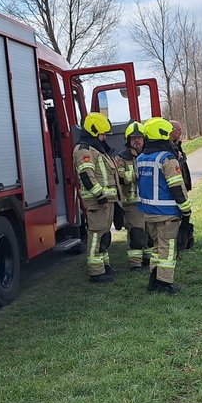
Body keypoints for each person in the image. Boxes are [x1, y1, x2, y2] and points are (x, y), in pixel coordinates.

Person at [137, 117, 192, 294]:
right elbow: (177, 187)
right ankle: (165, 283)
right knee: (168, 249)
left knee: (156, 247)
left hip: (149, 213)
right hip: (167, 213)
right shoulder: (167, 159)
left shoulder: (141, 158)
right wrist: (186, 209)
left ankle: (153, 279)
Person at [75, 112, 119, 283]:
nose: (104, 136)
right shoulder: (84, 150)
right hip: (97, 201)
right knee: (96, 235)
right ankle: (96, 272)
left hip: (106, 200)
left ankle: (104, 266)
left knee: (104, 234)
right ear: (94, 132)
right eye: (102, 133)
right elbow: (86, 175)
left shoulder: (96, 149)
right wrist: (100, 195)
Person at [114, 121, 151, 271]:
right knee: (136, 233)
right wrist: (138, 173)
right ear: (128, 140)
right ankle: (135, 264)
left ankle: (147, 259)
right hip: (132, 202)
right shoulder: (121, 157)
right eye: (133, 138)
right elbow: (119, 176)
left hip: (148, 201)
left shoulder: (149, 154)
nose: (137, 141)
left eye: (139, 138)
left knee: (149, 233)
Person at [168, 119, 195, 251]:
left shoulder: (177, 144)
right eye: (178, 130)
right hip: (175, 186)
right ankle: (178, 242)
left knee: (183, 213)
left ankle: (183, 240)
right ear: (170, 131)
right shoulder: (169, 146)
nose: (181, 132)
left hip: (182, 183)